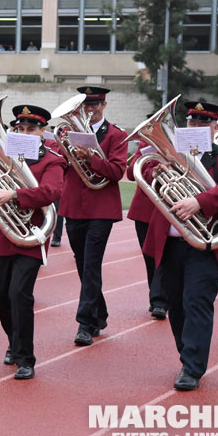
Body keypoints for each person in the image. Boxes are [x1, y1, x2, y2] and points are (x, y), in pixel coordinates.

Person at [141, 101, 218, 391]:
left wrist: (199, 201)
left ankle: (192, 367)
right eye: (192, 123)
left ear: (214, 128)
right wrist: (156, 174)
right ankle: (188, 355)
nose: (196, 128)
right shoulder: (172, 155)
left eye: (203, 124)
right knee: (176, 305)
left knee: (196, 301)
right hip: (171, 243)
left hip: (206, 242)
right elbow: (146, 181)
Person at [0, 105, 65, 379]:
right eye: (21, 129)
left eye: (32, 129)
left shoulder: (52, 159)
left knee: (19, 294)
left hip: (31, 235)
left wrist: (15, 194)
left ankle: (25, 357)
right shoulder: (3, 156)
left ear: (43, 132)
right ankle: (13, 342)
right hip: (2, 233)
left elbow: (51, 191)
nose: (25, 133)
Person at [57, 86, 127, 346]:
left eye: (95, 104)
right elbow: (60, 167)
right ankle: (100, 313)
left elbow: (118, 171)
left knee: (91, 263)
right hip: (74, 205)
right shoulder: (67, 134)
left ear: (104, 106)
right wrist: (66, 154)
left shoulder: (116, 135)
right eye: (86, 105)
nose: (90, 109)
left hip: (101, 208)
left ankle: (85, 322)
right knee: (82, 262)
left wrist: (92, 159)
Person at [126, 136, 168, 320]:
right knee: (149, 256)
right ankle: (156, 296)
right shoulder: (144, 146)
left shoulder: (176, 144)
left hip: (168, 207)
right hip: (143, 209)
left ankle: (160, 300)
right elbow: (130, 174)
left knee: (164, 255)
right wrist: (149, 166)